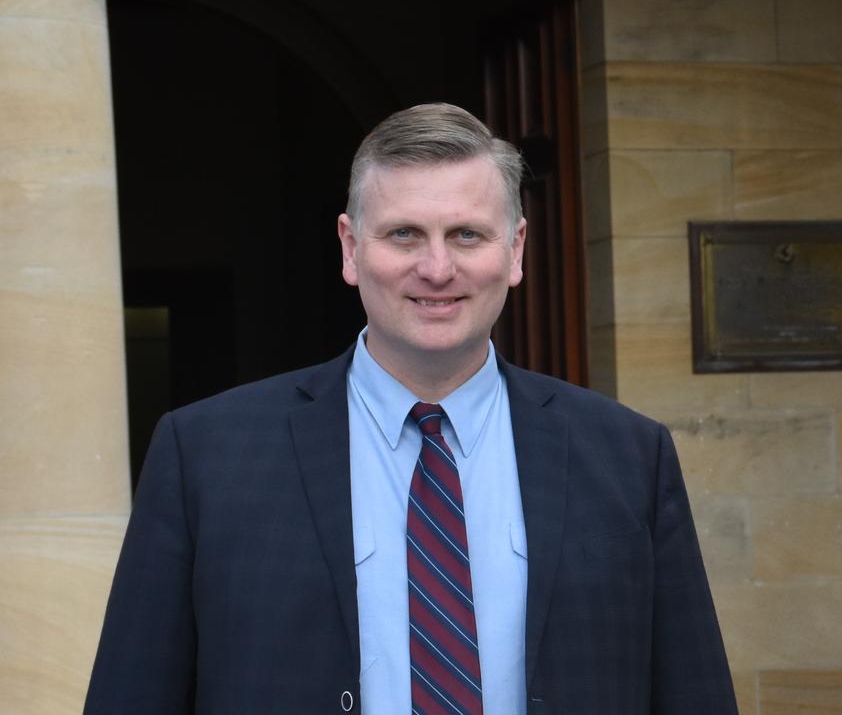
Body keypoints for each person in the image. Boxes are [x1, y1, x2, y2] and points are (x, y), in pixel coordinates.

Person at [84, 103, 736, 714]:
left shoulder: (627, 457)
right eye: (404, 234)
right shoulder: (206, 456)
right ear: (349, 247)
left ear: (514, 251)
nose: (436, 267)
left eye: (467, 235)